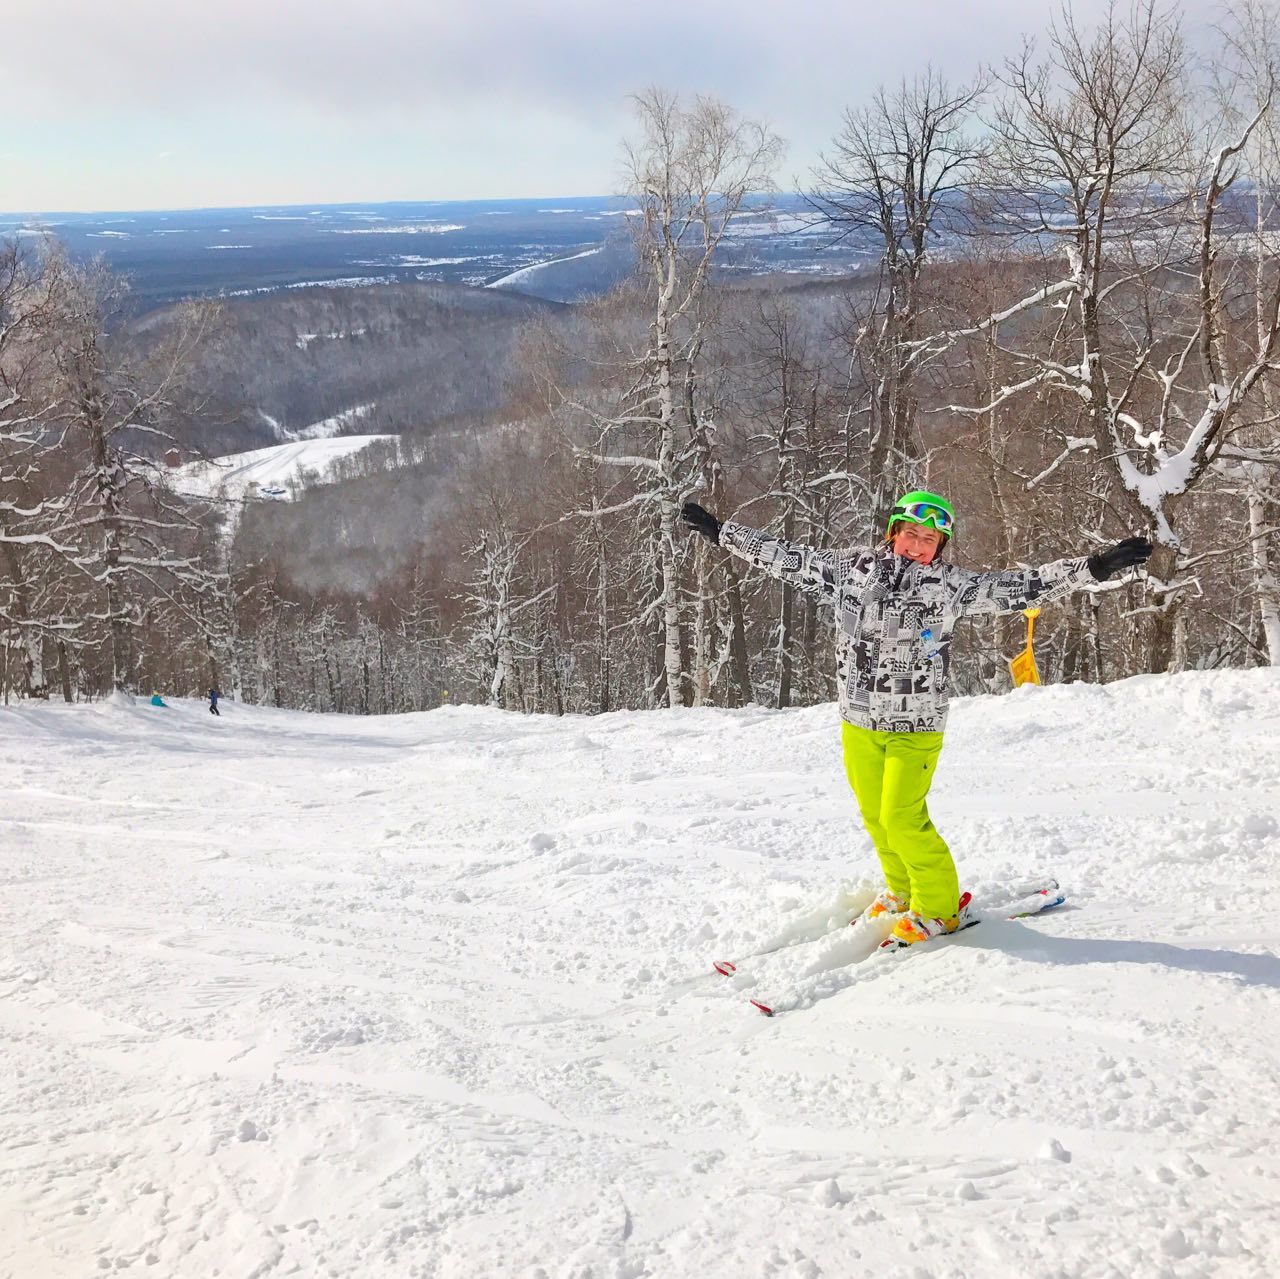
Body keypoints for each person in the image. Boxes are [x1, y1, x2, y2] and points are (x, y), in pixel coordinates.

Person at [681, 489, 1152, 946]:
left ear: (940, 546)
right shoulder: (850, 570)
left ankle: (940, 908)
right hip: (859, 719)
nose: (918, 545)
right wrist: (723, 533)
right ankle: (903, 890)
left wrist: (1093, 567)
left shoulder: (952, 587)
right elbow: (787, 558)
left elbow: (1021, 587)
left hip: (917, 725)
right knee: (876, 817)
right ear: (893, 532)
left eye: (929, 540)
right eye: (910, 533)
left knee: (903, 817)